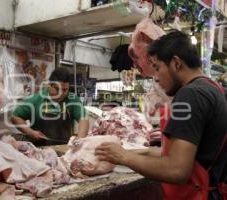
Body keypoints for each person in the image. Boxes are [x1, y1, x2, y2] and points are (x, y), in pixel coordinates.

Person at [95, 31, 227, 200]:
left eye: (157, 67)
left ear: (176, 63)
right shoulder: (213, 89)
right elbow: (185, 154)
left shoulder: (190, 95)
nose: (155, 78)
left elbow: (177, 170)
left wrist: (124, 156)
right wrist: (135, 151)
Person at [11, 68, 89, 146]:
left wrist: (80, 137)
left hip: (64, 148)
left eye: (65, 90)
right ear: (49, 85)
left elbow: (84, 119)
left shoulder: (73, 100)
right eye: (57, 89)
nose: (61, 94)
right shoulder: (36, 99)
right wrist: (30, 132)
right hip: (38, 149)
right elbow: (15, 117)